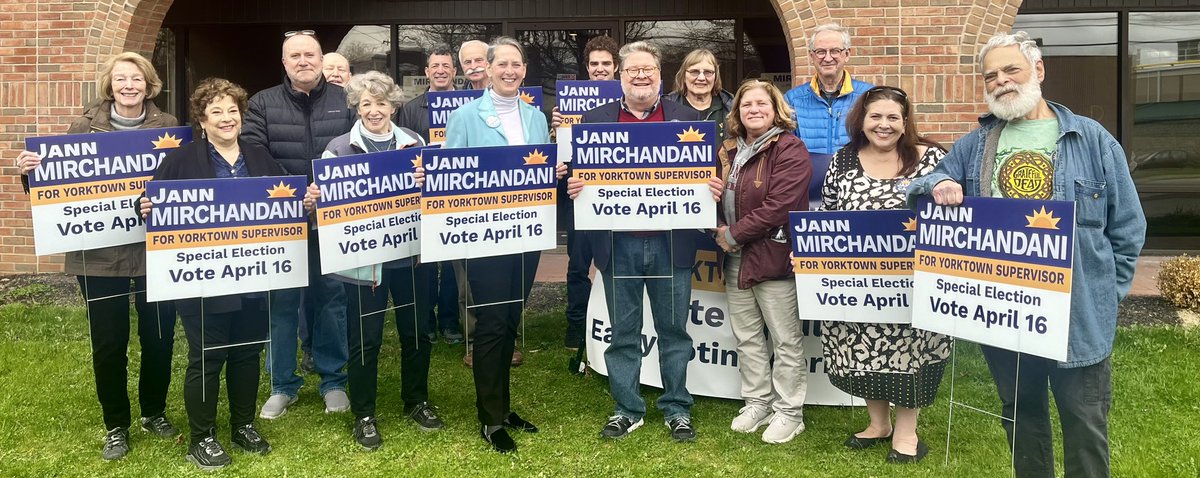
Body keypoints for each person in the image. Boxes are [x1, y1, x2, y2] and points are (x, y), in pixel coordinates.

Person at [906, 31, 1146, 477]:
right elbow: (922, 183)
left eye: (1010, 70)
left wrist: (1105, 296)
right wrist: (937, 184)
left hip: (1078, 316)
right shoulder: (974, 145)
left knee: (1085, 422)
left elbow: (1128, 228)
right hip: (1007, 314)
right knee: (1022, 416)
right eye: (990, 75)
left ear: (1038, 70)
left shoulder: (1091, 140)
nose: (1000, 81)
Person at [15, 51, 179, 461]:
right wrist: (30, 172)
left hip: (154, 252)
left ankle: (154, 412)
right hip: (98, 256)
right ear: (110, 85)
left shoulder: (170, 128)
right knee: (109, 343)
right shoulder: (82, 127)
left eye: (136, 79)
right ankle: (116, 425)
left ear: (149, 84)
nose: (129, 86)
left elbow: (183, 183)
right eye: (121, 79)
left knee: (158, 339)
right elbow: (54, 192)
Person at [565, 41, 720, 443]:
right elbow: (579, 177)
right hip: (618, 247)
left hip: (673, 244)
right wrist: (577, 184)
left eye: (648, 69)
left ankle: (676, 407)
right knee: (624, 333)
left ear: (660, 76)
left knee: (674, 332)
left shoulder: (688, 119)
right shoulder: (594, 121)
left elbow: (709, 174)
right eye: (632, 70)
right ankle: (627, 408)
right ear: (620, 76)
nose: (640, 76)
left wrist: (712, 188)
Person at [140, 77, 280, 470]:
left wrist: (303, 201)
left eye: (232, 110)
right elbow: (153, 203)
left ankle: (243, 424)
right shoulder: (182, 160)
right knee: (207, 357)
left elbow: (282, 204)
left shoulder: (259, 156)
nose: (226, 117)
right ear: (202, 119)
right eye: (216, 111)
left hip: (254, 275)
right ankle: (201, 437)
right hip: (202, 280)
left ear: (241, 115)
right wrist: (146, 208)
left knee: (248, 353)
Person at [304, 71, 443, 452]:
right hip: (363, 268)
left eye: (381, 103)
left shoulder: (414, 143)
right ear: (356, 107)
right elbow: (326, 215)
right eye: (366, 103)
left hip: (411, 259)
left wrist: (427, 181)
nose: (374, 110)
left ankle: (416, 401)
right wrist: (316, 201)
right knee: (365, 340)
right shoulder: (338, 149)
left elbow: (437, 199)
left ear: (394, 105)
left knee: (417, 333)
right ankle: (364, 413)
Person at [444, 36, 566, 453]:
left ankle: (504, 407)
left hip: (526, 235)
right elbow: (451, 175)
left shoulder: (535, 116)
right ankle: (490, 418)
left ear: (524, 70)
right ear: (488, 69)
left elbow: (536, 170)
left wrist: (555, 169)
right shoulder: (464, 117)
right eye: (503, 65)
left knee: (511, 319)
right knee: (492, 325)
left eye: (517, 64)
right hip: (485, 236)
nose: (510, 71)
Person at [822, 85, 950, 463]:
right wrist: (812, 257)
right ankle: (879, 424)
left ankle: (907, 433)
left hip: (915, 285)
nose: (883, 124)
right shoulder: (843, 160)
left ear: (905, 122)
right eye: (875, 116)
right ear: (861, 120)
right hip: (857, 284)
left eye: (893, 117)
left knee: (909, 355)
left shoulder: (931, 160)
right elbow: (828, 216)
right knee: (863, 351)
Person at [242, 29, 356, 419]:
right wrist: (296, 193)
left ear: (322, 59)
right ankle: (282, 385)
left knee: (331, 301)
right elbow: (253, 153)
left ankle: (333, 380)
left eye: (310, 54)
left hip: (334, 219)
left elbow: (361, 148)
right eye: (295, 56)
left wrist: (327, 191)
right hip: (283, 220)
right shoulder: (262, 103)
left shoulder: (346, 100)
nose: (303, 61)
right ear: (284, 63)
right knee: (282, 303)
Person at [714, 79, 811, 444]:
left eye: (761, 104)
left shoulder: (789, 147)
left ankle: (790, 411)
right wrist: (717, 225)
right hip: (736, 257)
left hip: (771, 254)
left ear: (776, 110)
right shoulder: (729, 149)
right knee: (748, 336)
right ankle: (758, 401)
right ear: (737, 112)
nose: (753, 109)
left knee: (785, 339)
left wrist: (733, 234)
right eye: (746, 105)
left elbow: (780, 206)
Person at [549, 34, 620, 351]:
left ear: (616, 67)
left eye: (606, 63)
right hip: (579, 193)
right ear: (587, 67)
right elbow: (560, 154)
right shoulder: (570, 104)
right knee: (578, 265)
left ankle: (615, 325)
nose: (600, 69)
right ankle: (575, 326)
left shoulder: (628, 100)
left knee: (618, 265)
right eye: (595, 64)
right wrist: (557, 132)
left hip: (619, 198)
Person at [396, 47, 465, 346]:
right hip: (421, 196)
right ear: (426, 72)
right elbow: (403, 153)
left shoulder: (468, 106)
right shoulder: (410, 109)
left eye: (446, 66)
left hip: (455, 194)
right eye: (434, 65)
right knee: (423, 263)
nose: (440, 70)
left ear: (454, 72)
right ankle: (427, 321)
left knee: (451, 262)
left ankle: (450, 321)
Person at [783, 22, 873, 155]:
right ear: (811, 56)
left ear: (847, 54)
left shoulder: (868, 96)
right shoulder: (792, 99)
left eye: (835, 51)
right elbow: (785, 149)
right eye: (820, 52)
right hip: (808, 175)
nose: (828, 58)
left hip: (853, 174)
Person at [665, 48, 734, 141]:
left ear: (716, 77)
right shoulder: (667, 106)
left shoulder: (731, 108)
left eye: (708, 72)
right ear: (684, 76)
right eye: (694, 72)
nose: (701, 78)